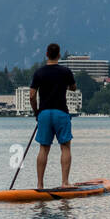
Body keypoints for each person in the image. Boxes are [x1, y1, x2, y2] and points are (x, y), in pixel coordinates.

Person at [29, 43, 77, 189]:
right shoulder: (65, 71)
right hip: (61, 112)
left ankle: (40, 185)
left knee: (43, 148)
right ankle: (64, 182)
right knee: (65, 147)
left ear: (46, 54)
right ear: (59, 55)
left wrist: (36, 112)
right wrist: (66, 85)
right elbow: (73, 88)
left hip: (44, 113)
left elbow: (32, 95)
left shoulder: (39, 73)